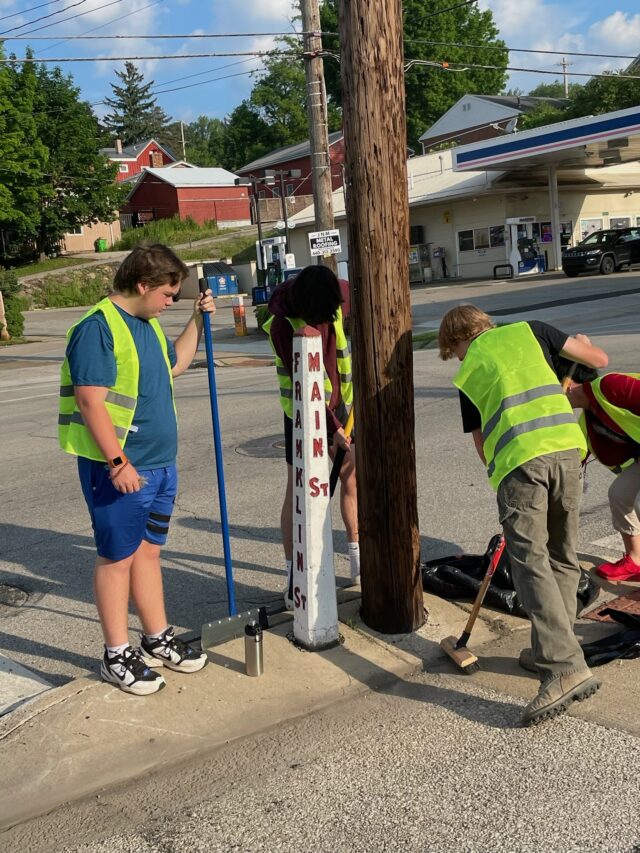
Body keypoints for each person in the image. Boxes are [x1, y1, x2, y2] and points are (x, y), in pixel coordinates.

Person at [438, 304, 608, 727]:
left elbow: (482, 443)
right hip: (567, 453)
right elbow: (599, 360)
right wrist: (581, 344)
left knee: (530, 563)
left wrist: (502, 480)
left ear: (458, 340)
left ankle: (563, 667)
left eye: (453, 351)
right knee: (563, 557)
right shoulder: (532, 331)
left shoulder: (470, 370)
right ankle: (551, 648)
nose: (457, 358)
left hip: (521, 466)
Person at [59, 243, 215, 696]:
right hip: (123, 471)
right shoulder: (98, 327)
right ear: (143, 285)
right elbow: (90, 401)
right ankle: (115, 654)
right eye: (168, 294)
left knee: (148, 553)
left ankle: (156, 637)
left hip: (161, 466)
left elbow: (176, 365)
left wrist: (196, 320)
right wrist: (118, 462)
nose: (171, 301)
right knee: (116, 559)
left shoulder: (147, 325)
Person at [263, 265, 358, 608]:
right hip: (302, 414)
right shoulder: (283, 326)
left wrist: (341, 423)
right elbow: (305, 385)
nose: (330, 317)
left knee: (352, 477)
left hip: (341, 406)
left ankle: (358, 562)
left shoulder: (335, 294)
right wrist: (333, 430)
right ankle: (294, 575)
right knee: (299, 489)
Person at [568, 372, 640, 582]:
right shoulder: (587, 420)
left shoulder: (611, 385)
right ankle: (635, 560)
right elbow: (573, 461)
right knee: (619, 493)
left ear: (568, 383)